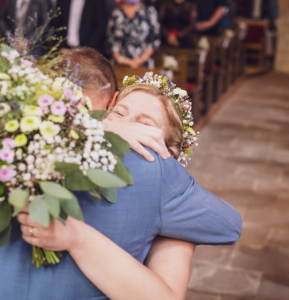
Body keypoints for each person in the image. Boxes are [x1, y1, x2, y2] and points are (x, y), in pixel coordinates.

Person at [0, 48, 242, 300]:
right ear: (109, 106)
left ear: (170, 150)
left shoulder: (14, 136)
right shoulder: (152, 169)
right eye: (119, 114)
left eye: (145, 125)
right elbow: (228, 227)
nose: (126, 128)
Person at [107, 0, 161, 68]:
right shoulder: (116, 13)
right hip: (120, 65)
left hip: (144, 66)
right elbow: (111, 40)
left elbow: (155, 38)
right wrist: (123, 60)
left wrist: (140, 60)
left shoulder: (149, 11)